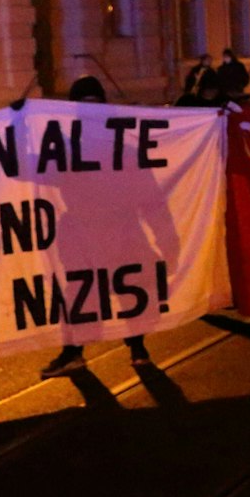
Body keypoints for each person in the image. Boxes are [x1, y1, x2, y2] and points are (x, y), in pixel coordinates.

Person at [42, 76, 152, 376]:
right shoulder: (65, 147)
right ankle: (73, 352)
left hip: (119, 229)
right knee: (79, 295)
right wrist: (14, 126)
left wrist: (166, 235)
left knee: (128, 289)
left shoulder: (121, 145)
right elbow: (32, 170)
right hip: (79, 232)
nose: (90, 111)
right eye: (84, 105)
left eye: (95, 104)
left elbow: (147, 190)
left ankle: (138, 347)